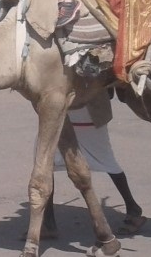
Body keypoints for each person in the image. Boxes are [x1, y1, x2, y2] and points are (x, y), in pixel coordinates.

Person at [54, 92, 145, 235]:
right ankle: (47, 223)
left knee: (106, 160)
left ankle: (133, 208)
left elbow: (108, 90)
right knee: (46, 162)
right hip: (63, 115)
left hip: (89, 113)